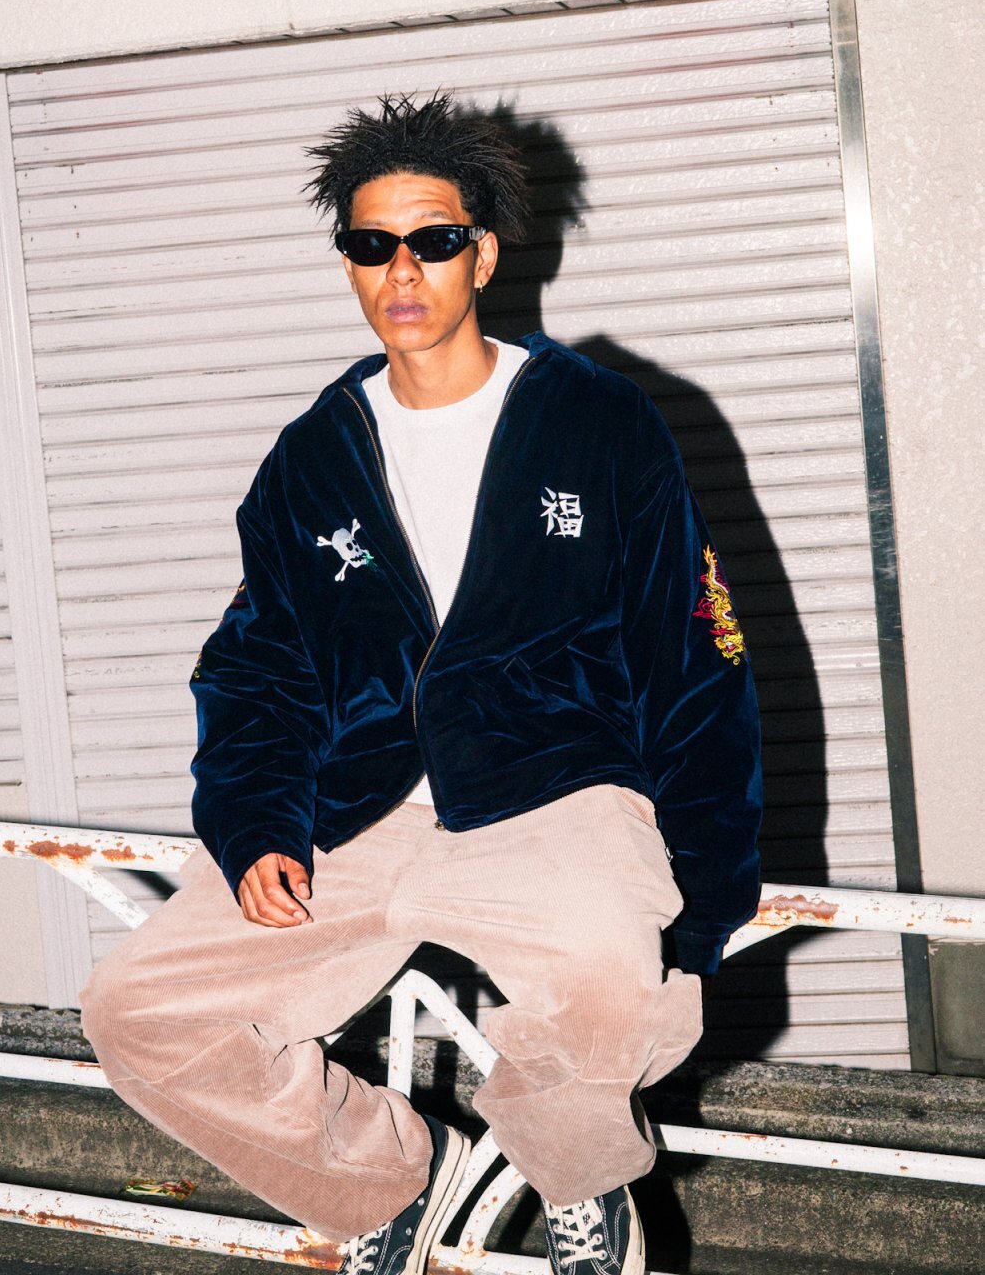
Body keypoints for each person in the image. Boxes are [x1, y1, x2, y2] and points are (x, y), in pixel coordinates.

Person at [80, 91, 763, 1275]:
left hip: (550, 789)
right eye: (371, 243)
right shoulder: (314, 456)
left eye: (432, 239)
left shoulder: (597, 422)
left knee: (624, 979)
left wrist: (708, 890)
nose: (402, 270)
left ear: (482, 254)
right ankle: (387, 1178)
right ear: (348, 259)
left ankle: (574, 1173)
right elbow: (258, 664)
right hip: (360, 809)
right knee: (136, 1011)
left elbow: (691, 655)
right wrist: (256, 823)